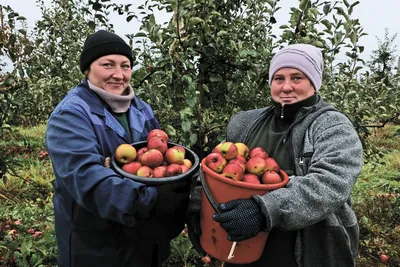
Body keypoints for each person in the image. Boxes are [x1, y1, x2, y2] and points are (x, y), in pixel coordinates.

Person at [187, 44, 363, 267]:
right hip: (242, 248)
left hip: (307, 252)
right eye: (279, 78)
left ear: (314, 82)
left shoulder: (333, 127)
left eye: (297, 77)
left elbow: (331, 183)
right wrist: (198, 202)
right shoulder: (245, 123)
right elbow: (214, 170)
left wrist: (263, 209)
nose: (286, 87)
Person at [46, 30, 188, 267]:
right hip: (96, 246)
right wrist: (150, 201)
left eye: (126, 65)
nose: (119, 75)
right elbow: (86, 177)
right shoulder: (70, 114)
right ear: (87, 69)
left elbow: (161, 158)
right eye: (107, 65)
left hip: (144, 242)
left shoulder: (141, 109)